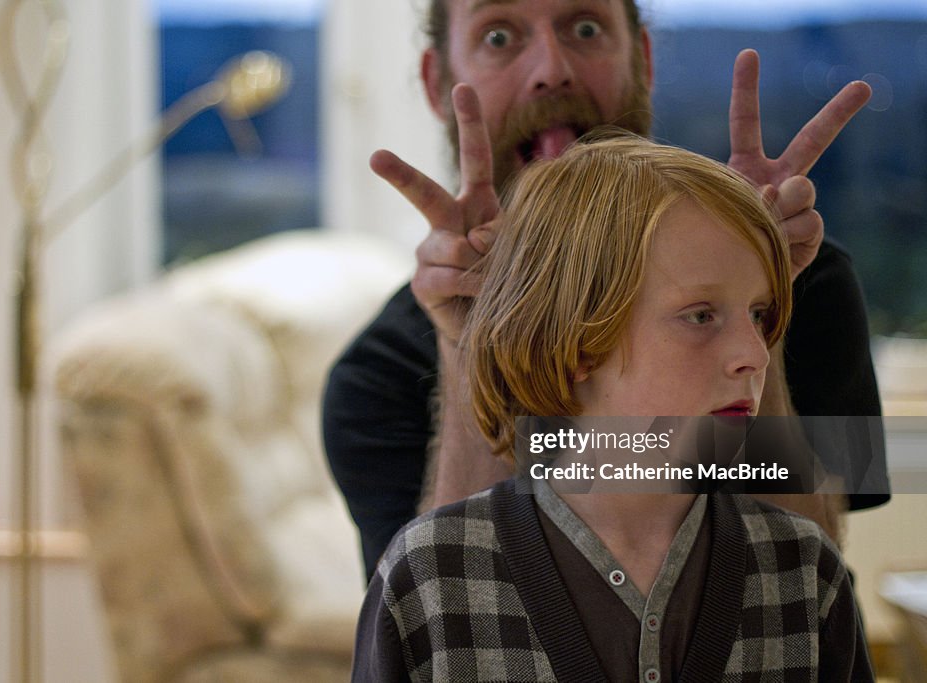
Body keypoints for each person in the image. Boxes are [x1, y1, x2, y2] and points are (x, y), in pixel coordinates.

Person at [323, 0, 888, 580]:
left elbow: (803, 598)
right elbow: (440, 627)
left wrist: (751, 280)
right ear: (437, 81)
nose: (552, 68)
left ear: (640, 60)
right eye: (499, 37)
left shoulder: (812, 279)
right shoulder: (376, 375)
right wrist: (474, 339)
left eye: (586, 28)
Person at [351, 136, 873, 682]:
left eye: (760, 314)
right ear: (576, 343)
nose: (752, 353)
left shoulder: (805, 570)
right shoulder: (429, 577)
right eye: (700, 316)